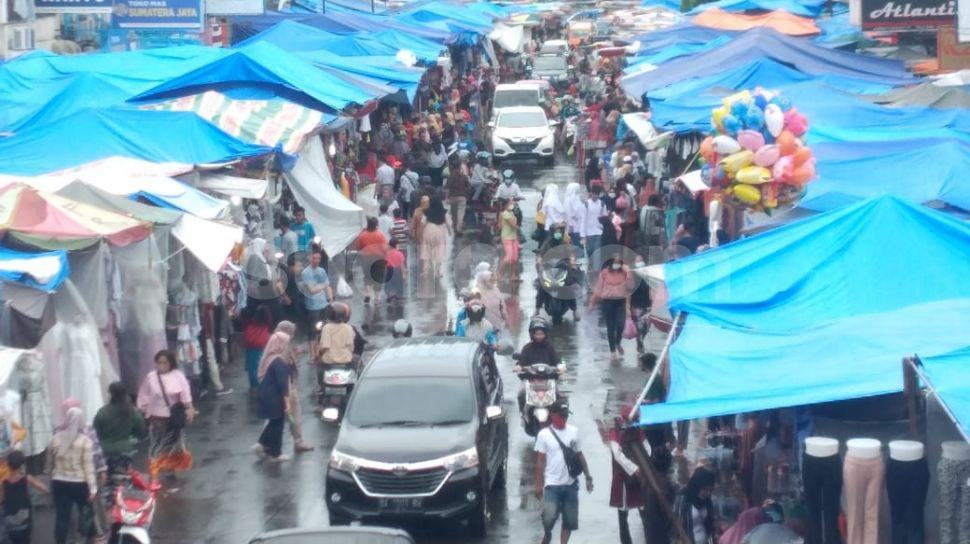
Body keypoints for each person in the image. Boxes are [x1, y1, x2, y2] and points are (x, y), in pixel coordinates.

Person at [534, 401, 593, 544]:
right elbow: (540, 463)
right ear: (552, 416)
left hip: (571, 484)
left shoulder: (573, 431)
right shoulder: (544, 435)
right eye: (561, 416)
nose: (564, 420)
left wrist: (588, 476)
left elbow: (580, 454)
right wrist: (538, 485)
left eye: (566, 417)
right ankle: (547, 533)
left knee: (569, 520)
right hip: (552, 485)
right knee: (549, 517)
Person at [137, 350, 195, 483]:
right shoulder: (151, 377)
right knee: (156, 446)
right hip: (157, 418)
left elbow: (185, 394)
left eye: (165, 362)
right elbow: (143, 395)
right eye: (159, 362)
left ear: (171, 363)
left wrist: (189, 409)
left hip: (173, 417)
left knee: (173, 445)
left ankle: (170, 468)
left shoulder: (178, 376)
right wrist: (144, 410)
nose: (161, 365)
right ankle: (154, 475)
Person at [49, 407, 98, 544]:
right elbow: (88, 466)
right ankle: (90, 538)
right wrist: (93, 488)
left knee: (62, 516)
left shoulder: (55, 439)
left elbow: (50, 463)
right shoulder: (85, 441)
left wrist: (51, 481)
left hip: (59, 482)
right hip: (79, 483)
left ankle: (60, 541)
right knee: (86, 512)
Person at [269, 321, 313, 454]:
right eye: (291, 333)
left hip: (278, 386)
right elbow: (285, 367)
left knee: (276, 417)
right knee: (293, 413)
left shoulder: (276, 342)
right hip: (286, 386)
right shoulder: (282, 346)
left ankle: (266, 444)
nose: (293, 336)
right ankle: (297, 442)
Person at [609, 407, 649, 544]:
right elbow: (617, 455)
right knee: (623, 514)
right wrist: (634, 468)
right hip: (622, 478)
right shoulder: (615, 433)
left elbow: (647, 449)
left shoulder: (638, 431)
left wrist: (642, 468)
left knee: (644, 510)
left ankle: (649, 538)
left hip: (640, 476)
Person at [93, 382, 148, 476]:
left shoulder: (102, 412)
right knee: (126, 476)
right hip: (125, 450)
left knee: (107, 477)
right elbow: (142, 433)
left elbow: (95, 432)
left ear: (110, 394)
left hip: (105, 451)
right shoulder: (132, 412)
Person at [254, 330, 293, 463]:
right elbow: (283, 385)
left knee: (274, 421)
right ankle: (275, 453)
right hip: (274, 397)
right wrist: (287, 403)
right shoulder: (278, 362)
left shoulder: (268, 359)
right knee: (278, 424)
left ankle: (262, 444)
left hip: (265, 394)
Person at [589, 254, 636, 361]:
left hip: (620, 302)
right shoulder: (605, 273)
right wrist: (592, 302)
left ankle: (618, 342)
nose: (616, 264)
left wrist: (628, 273)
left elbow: (630, 287)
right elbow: (599, 288)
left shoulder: (625, 273)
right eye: (614, 261)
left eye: (618, 262)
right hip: (607, 302)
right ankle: (612, 352)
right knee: (610, 327)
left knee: (620, 325)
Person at [3, 450, 47, 544]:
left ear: (8, 465)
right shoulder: (26, 478)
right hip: (24, 520)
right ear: (22, 465)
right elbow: (43, 488)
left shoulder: (4, 482)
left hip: (9, 521)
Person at [317, 302, 356, 398]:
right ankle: (355, 386)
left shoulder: (327, 328)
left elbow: (325, 346)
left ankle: (321, 387)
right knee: (357, 365)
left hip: (329, 360)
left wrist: (319, 354)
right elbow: (351, 345)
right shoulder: (348, 328)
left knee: (319, 366)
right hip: (346, 359)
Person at [300, 250, 332, 358]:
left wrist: (330, 299)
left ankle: (318, 352)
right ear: (309, 258)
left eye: (318, 258)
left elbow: (327, 286)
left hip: (323, 304)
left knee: (322, 330)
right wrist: (322, 286)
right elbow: (312, 290)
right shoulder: (306, 272)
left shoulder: (322, 270)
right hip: (312, 306)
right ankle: (312, 355)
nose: (316, 261)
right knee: (312, 331)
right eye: (314, 258)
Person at [673, 466, 716, 544]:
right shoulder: (683, 499)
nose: (708, 493)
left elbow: (710, 524)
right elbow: (675, 525)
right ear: (697, 486)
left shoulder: (706, 501)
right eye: (705, 489)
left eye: (710, 490)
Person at [357, 217, 389, 306]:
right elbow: (385, 248)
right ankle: (377, 299)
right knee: (378, 278)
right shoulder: (380, 235)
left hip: (366, 259)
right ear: (376, 225)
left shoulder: (362, 235)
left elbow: (359, 247)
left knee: (367, 276)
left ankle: (368, 294)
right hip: (379, 259)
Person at [243, 305, 272, 390]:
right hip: (261, 348)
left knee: (252, 369)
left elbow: (247, 338)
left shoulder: (251, 326)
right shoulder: (265, 327)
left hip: (250, 349)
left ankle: (253, 386)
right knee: (260, 366)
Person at [421, 196, 451, 277]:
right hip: (440, 232)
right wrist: (450, 231)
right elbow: (447, 223)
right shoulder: (442, 212)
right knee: (440, 252)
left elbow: (423, 223)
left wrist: (421, 233)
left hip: (429, 229)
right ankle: (437, 272)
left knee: (426, 251)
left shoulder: (427, 212)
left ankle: (425, 271)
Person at [580, 188, 606, 271]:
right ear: (591, 194)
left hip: (599, 232)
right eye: (594, 194)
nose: (595, 196)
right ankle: (590, 268)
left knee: (597, 252)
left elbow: (604, 217)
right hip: (589, 233)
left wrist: (603, 228)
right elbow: (583, 220)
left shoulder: (602, 204)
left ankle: (597, 271)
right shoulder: (586, 204)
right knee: (589, 251)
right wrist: (583, 235)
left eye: (597, 194)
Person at [445, 156, 471, 235]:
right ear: (459, 166)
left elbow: (447, 188)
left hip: (452, 197)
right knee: (460, 214)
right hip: (462, 197)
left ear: (452, 167)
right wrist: (466, 193)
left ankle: (454, 228)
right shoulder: (463, 176)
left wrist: (446, 197)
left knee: (453, 214)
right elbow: (469, 186)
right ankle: (458, 229)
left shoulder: (450, 176)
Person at [498, 197, 521, 283]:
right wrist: (517, 226)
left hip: (513, 237)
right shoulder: (506, 214)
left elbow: (499, 225)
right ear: (506, 205)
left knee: (514, 257)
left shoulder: (511, 213)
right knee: (508, 257)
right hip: (507, 237)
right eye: (510, 203)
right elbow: (513, 225)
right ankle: (499, 273)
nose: (512, 204)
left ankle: (513, 275)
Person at [563, 183, 585, 259]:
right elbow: (568, 214)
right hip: (572, 227)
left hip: (579, 226)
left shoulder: (578, 199)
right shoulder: (568, 200)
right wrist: (571, 225)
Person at [384, 238, 407, 302]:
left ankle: (389, 296)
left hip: (389, 270)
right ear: (396, 246)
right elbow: (402, 265)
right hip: (397, 271)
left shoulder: (387, 254)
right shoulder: (400, 254)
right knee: (399, 284)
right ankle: (399, 296)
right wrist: (404, 274)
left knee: (389, 284)